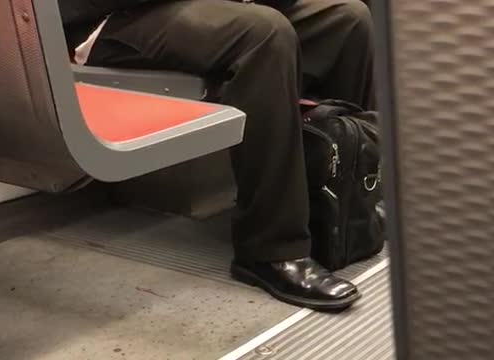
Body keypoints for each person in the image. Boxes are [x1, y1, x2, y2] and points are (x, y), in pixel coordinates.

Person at [59, 0, 378, 311]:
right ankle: (271, 248)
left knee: (349, 19)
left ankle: (343, 213)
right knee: (265, 34)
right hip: (109, 18)